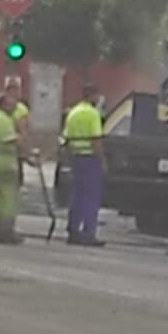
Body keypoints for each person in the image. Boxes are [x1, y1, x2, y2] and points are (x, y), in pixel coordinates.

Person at [0, 86, 30, 244]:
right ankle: (6, 230)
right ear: (4, 105)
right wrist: (28, 153)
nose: (14, 107)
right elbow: (13, 140)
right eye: (11, 105)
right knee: (9, 197)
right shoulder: (2, 120)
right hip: (6, 164)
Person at [61, 83, 106, 246]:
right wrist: (102, 162)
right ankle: (89, 233)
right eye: (97, 95)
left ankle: (73, 230)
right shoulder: (92, 114)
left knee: (77, 196)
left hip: (75, 158)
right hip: (89, 159)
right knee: (91, 198)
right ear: (91, 95)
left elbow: (65, 139)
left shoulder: (73, 113)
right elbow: (96, 140)